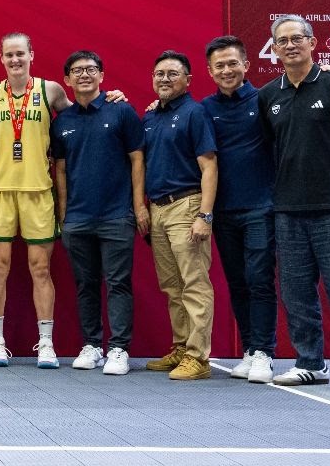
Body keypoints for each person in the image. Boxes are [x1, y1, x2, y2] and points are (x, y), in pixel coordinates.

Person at [260, 14, 330, 396]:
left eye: (297, 38)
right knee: (296, 293)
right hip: (288, 210)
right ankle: (310, 363)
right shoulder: (268, 95)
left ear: (312, 42)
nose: (290, 45)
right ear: (274, 49)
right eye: (282, 41)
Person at [0, 32, 87, 369]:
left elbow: (80, 118)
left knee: (40, 268)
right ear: (1, 58)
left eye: (20, 54)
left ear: (31, 55)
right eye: (9, 55)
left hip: (38, 190)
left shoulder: (50, 90)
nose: (15, 60)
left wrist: (110, 98)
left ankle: (46, 343)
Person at [51, 51, 146, 376]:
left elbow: (137, 159)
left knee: (118, 283)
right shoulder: (62, 121)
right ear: (67, 80)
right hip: (77, 219)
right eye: (77, 71)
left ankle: (119, 348)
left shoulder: (121, 111)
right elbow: (60, 170)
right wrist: (64, 214)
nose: (84, 75)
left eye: (91, 69)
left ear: (101, 75)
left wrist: (138, 206)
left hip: (116, 215)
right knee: (85, 284)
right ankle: (92, 345)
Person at [200, 36, 278, 384]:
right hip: (223, 212)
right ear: (210, 71)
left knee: (260, 280)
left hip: (261, 207)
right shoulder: (205, 108)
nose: (227, 70)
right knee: (238, 282)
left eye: (233, 63)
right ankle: (249, 349)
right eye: (220, 65)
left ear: (246, 65)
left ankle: (264, 352)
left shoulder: (266, 99)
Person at [141, 50, 217, 381]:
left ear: (188, 80)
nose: (165, 79)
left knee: (194, 283)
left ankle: (199, 357)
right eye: (159, 74)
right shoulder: (150, 116)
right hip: (157, 208)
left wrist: (205, 215)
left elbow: (209, 166)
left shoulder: (194, 113)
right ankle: (182, 347)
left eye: (173, 74)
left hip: (187, 206)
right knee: (172, 285)